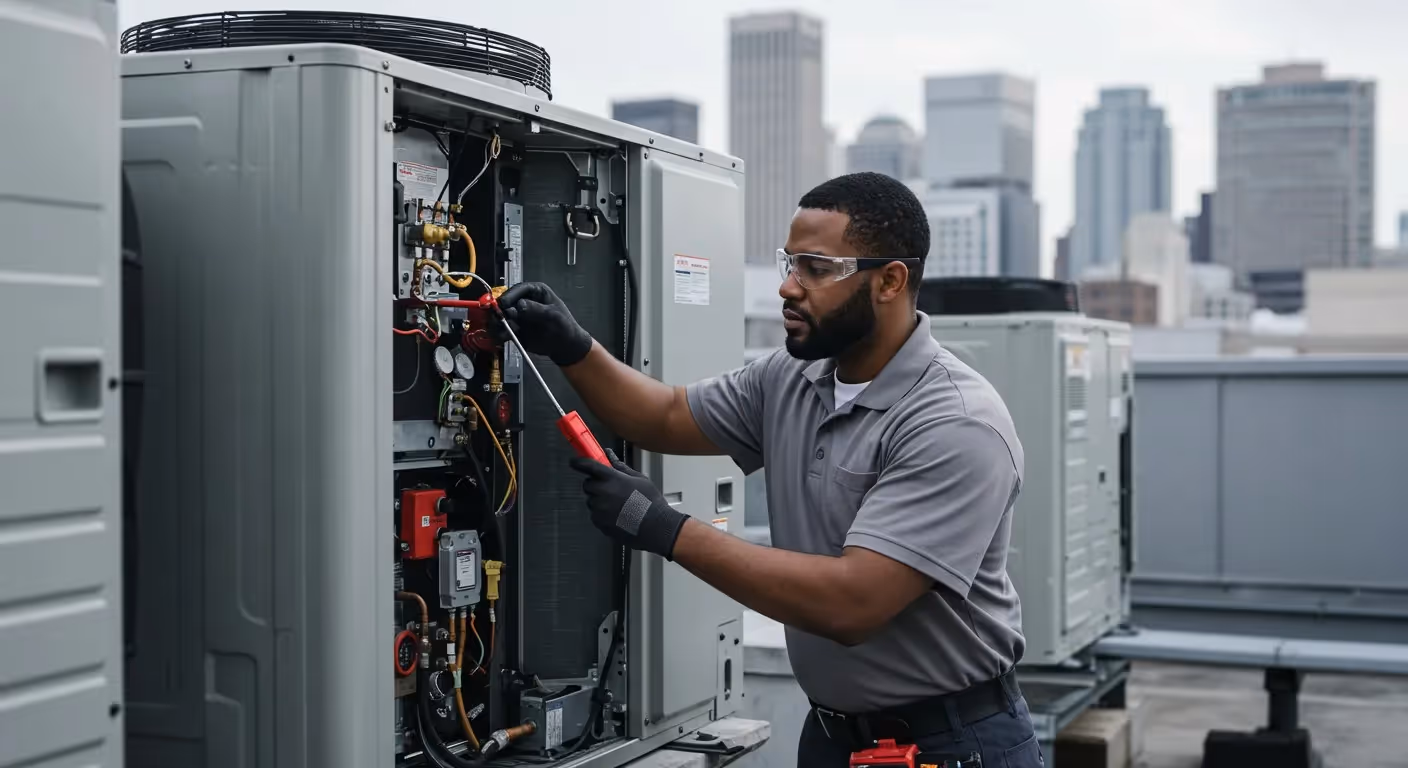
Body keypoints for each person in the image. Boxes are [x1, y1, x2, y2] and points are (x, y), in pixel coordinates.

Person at [493, 171, 1037, 767]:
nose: (787, 287)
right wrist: (574, 347)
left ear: (890, 281)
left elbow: (853, 603)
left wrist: (666, 529)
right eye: (788, 263)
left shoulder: (954, 422)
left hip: (950, 743)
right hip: (833, 736)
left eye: (815, 268)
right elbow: (667, 415)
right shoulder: (794, 376)